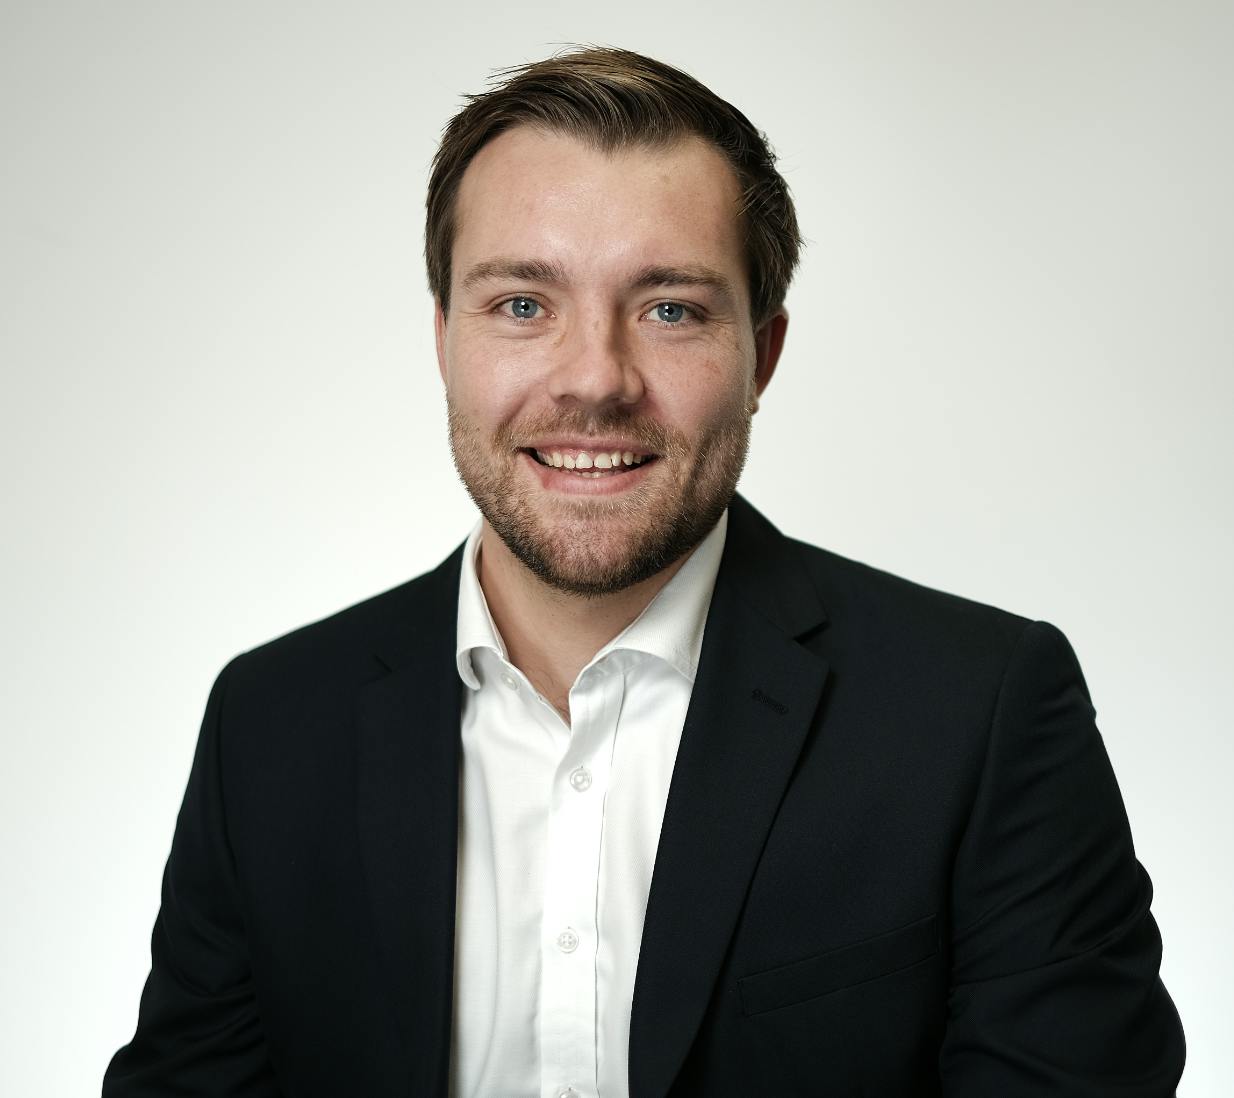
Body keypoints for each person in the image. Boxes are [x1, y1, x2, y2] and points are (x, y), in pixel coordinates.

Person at [104, 47, 1185, 1098]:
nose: (594, 380)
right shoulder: (269, 723)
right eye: (522, 304)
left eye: (670, 308)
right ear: (444, 340)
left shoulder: (981, 712)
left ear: (761, 355)